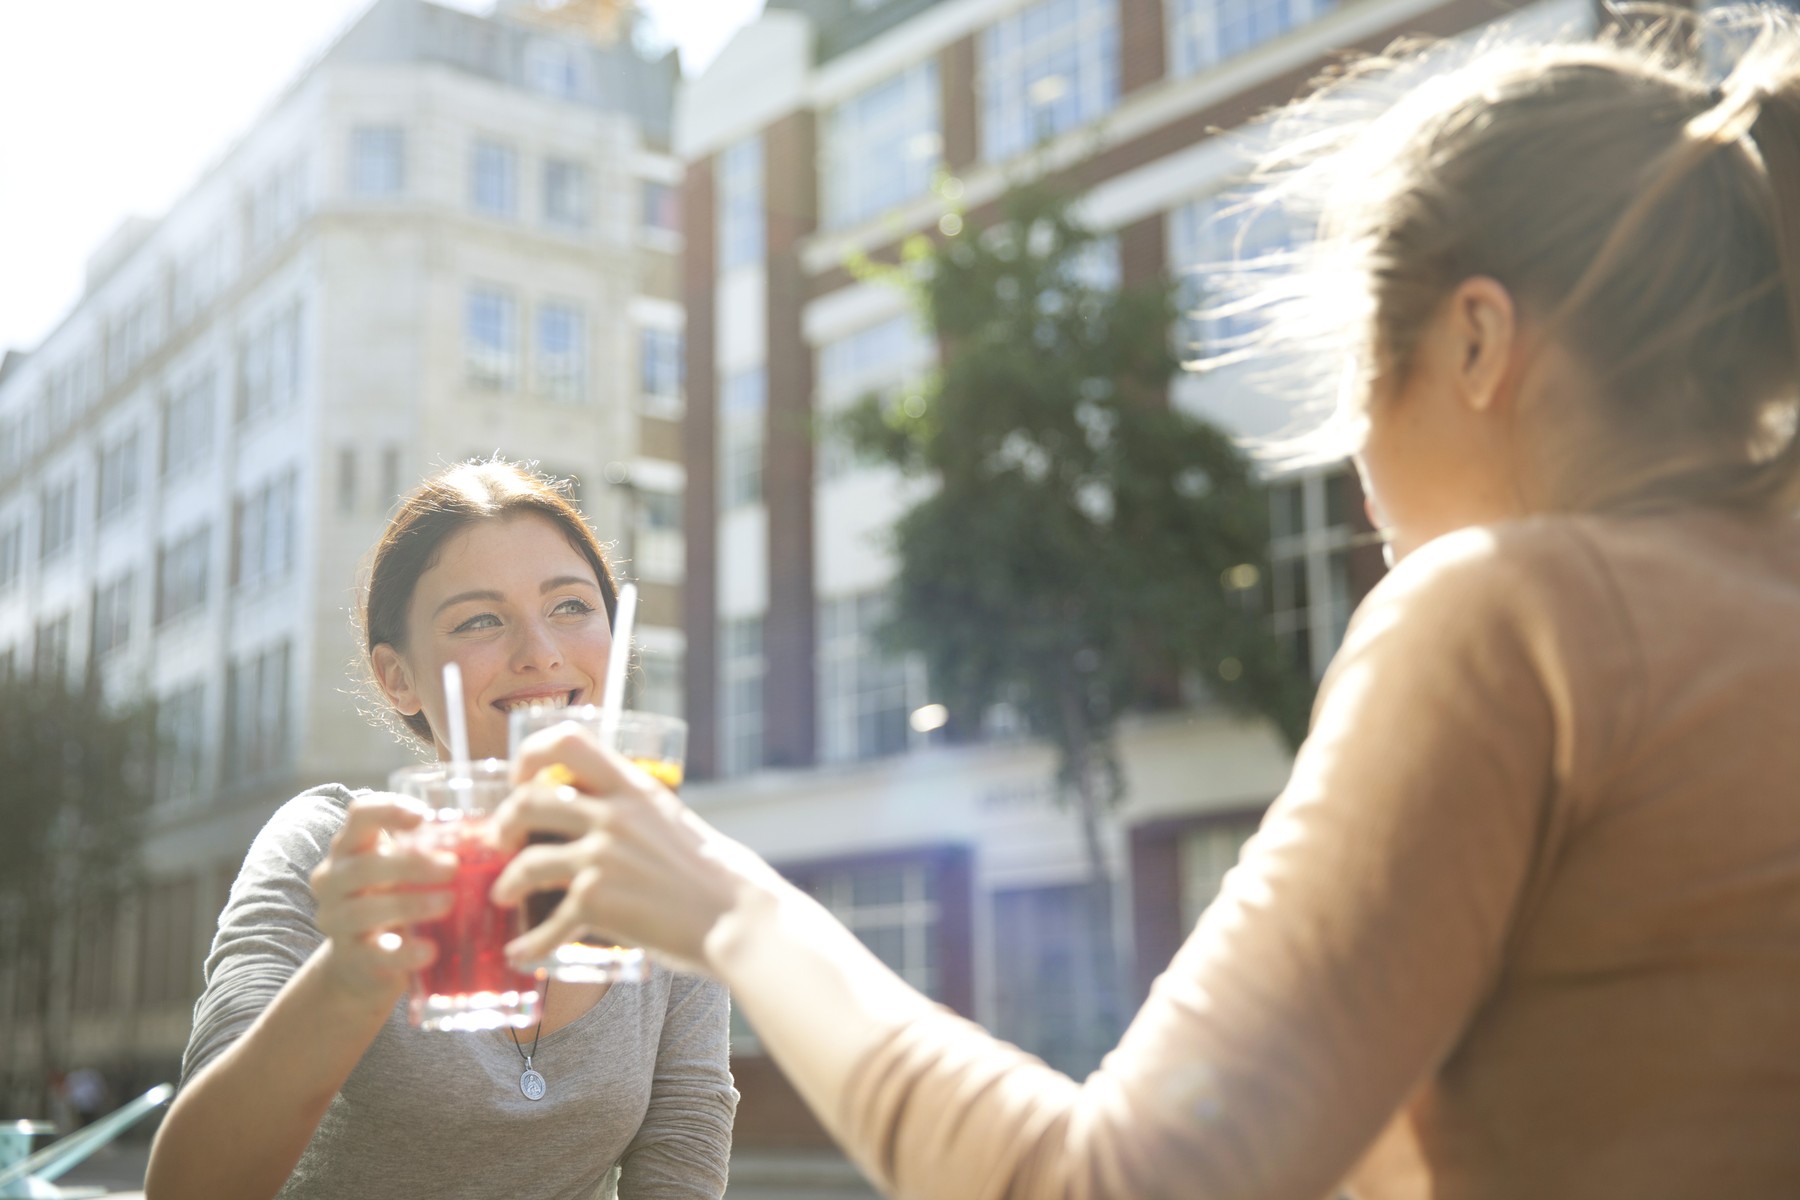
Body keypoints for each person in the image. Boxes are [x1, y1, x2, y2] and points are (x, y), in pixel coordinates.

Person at [487, 10, 1800, 1199]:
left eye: (1355, 375)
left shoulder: (1513, 614)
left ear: (1474, 342)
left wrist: (727, 905)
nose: (1346, 449)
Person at [145, 461, 737, 1200]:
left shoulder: (664, 863)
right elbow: (188, 1187)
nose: (542, 652)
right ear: (398, 678)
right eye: (480, 620)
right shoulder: (334, 848)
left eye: (572, 606)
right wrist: (350, 980)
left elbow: (683, 1154)